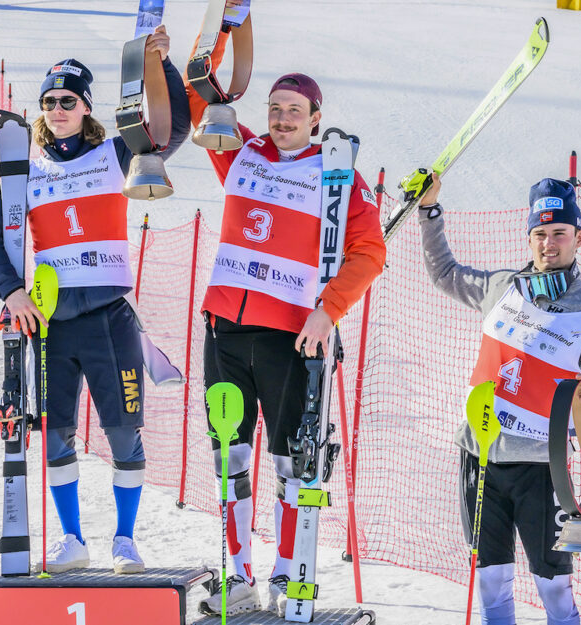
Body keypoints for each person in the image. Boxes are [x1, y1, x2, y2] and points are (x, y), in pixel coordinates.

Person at [0, 26, 190, 575]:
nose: (57, 110)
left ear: (86, 106)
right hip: (52, 326)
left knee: (123, 432)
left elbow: (171, 127)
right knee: (55, 431)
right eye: (48, 102)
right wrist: (13, 292)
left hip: (108, 319)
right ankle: (71, 539)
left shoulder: (116, 154)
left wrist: (160, 65)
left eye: (67, 101)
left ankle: (124, 539)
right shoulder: (25, 173)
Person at [186, 30, 387, 616]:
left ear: (316, 118)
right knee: (229, 458)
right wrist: (219, 30)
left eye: (293, 111)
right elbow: (203, 97)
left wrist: (329, 312)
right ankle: (239, 576)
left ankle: (286, 575)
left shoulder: (337, 174)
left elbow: (369, 251)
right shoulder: (241, 149)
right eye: (274, 109)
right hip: (225, 329)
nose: (280, 120)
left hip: (290, 336)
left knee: (289, 461)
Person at [417, 175, 581, 625]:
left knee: (553, 586)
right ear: (529, 237)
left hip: (542, 468)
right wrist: (429, 211)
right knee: (491, 578)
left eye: (559, 234)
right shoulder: (502, 288)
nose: (548, 245)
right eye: (540, 234)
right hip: (481, 454)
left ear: (579, 237)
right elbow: (445, 274)